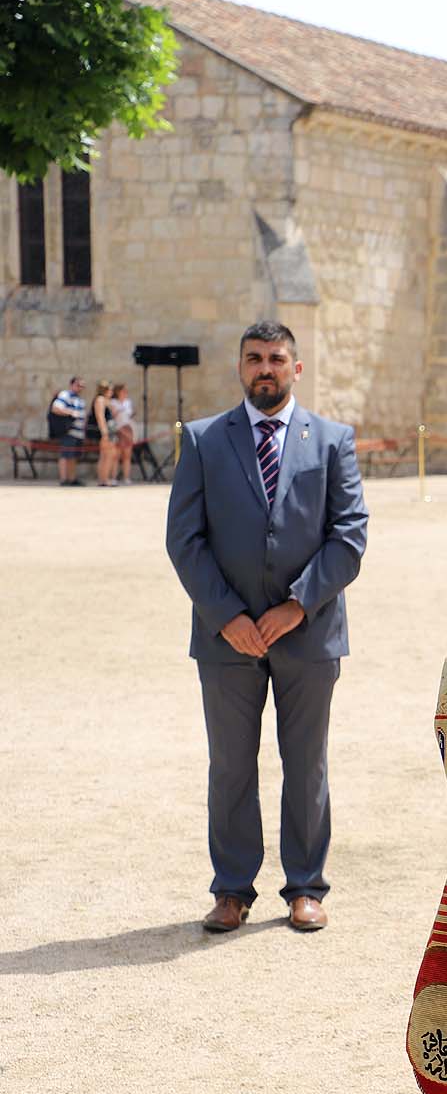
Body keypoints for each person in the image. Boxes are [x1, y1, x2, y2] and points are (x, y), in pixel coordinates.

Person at [165, 320, 368, 933]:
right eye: (254, 359)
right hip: (226, 638)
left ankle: (305, 887)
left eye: (276, 359)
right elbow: (185, 538)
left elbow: (350, 534)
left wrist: (296, 606)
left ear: (296, 368)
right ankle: (232, 890)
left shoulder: (332, 441)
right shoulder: (203, 440)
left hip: (308, 633)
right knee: (230, 766)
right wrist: (227, 615)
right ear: (241, 367)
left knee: (306, 764)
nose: (265, 369)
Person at [48, 376, 88, 485]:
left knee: (73, 456)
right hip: (68, 431)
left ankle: (72, 479)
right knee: (65, 455)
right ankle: (63, 479)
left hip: (78, 433)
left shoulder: (79, 399)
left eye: (82, 386)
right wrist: (71, 412)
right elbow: (56, 408)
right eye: (78, 385)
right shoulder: (65, 395)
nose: (80, 388)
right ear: (72, 385)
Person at [90, 380, 119, 486]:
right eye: (110, 389)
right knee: (107, 455)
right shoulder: (100, 400)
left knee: (106, 455)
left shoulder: (106, 401)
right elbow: (100, 417)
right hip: (105, 431)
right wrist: (104, 433)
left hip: (109, 430)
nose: (112, 392)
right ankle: (104, 479)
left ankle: (104, 479)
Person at [111, 382, 137, 486]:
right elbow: (113, 416)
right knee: (116, 456)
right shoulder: (113, 402)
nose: (126, 393)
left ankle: (126, 478)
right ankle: (113, 477)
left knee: (127, 455)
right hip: (118, 429)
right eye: (124, 391)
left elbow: (129, 415)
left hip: (127, 428)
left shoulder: (128, 402)